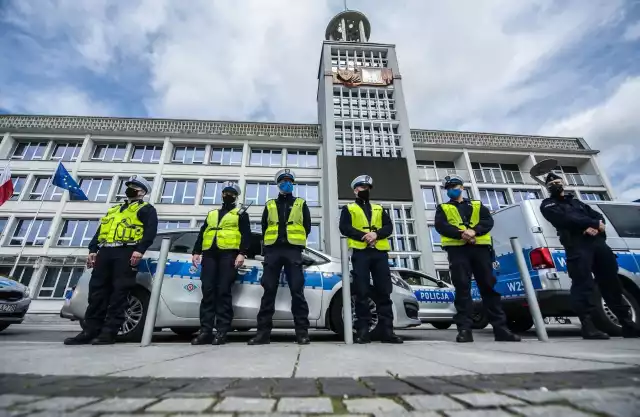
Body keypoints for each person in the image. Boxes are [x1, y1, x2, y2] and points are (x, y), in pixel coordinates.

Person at [540, 173, 640, 339]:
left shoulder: (577, 202)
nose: (555, 185)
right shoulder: (548, 204)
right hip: (577, 246)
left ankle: (627, 324)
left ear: (563, 183)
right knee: (582, 284)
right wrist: (591, 223)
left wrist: (596, 225)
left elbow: (598, 216)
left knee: (612, 283)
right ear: (548, 188)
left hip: (598, 243)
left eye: (558, 182)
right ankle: (588, 326)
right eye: (551, 184)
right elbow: (565, 219)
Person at [64, 175, 158, 345]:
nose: (130, 189)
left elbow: (150, 232)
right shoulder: (115, 209)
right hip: (106, 251)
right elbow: (101, 231)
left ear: (142, 192)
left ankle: (109, 332)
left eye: (134, 187)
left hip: (126, 251)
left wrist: (139, 250)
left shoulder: (146, 209)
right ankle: (90, 331)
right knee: (97, 292)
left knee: (119, 293)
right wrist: (93, 249)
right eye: (129, 186)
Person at [434, 175, 520, 343]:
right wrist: (461, 234)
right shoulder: (443, 208)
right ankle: (464, 330)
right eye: (449, 187)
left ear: (462, 187)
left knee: (489, 288)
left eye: (455, 186)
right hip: (458, 251)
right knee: (462, 289)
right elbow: (441, 226)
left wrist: (474, 231)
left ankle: (501, 329)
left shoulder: (477, 205)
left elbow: (487, 221)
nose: (452, 189)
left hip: (480, 249)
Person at [248, 169, 312, 345]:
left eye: (289, 180)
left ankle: (302, 333)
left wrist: (294, 241)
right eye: (283, 180)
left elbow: (307, 227)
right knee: (268, 291)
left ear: (293, 184)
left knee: (297, 292)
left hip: (293, 251)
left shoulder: (301, 203)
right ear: (278, 184)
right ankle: (263, 334)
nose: (287, 183)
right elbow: (264, 227)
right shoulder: (269, 205)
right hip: (273, 251)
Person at [339, 175, 403, 344]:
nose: (365, 190)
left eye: (367, 188)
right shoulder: (349, 208)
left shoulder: (379, 209)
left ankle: (387, 332)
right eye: (361, 187)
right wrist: (364, 236)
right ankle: (363, 331)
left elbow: (388, 227)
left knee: (384, 291)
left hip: (379, 252)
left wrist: (376, 234)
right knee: (361, 292)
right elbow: (344, 227)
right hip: (360, 253)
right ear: (355, 190)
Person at [191, 181, 252, 345]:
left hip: (229, 255)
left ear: (236, 196)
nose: (228, 195)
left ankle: (222, 332)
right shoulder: (211, 214)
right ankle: (205, 331)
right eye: (225, 192)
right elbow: (203, 233)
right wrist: (196, 251)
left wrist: (242, 253)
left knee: (223, 292)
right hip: (210, 254)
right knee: (208, 291)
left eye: (231, 193)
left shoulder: (241, 213)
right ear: (222, 194)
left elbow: (247, 235)